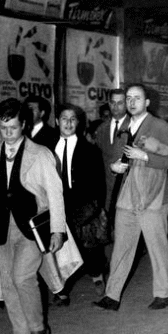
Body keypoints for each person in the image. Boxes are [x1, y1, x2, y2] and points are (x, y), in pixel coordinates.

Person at [0, 98, 65, 334]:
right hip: (0, 229)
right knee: (9, 283)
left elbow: (56, 194)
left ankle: (38, 331)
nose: (8, 133)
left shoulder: (41, 154)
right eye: (3, 128)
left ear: (24, 124)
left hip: (32, 229)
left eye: (13, 127)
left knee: (23, 277)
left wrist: (57, 230)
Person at [93, 84, 168, 311]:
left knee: (157, 247)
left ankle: (162, 293)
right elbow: (121, 160)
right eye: (128, 98)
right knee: (121, 247)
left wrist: (145, 156)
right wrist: (115, 168)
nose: (131, 103)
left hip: (153, 196)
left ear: (147, 102)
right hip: (127, 196)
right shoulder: (123, 127)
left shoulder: (159, 126)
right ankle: (112, 296)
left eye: (137, 98)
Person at [50, 103, 107, 305]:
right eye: (64, 119)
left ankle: (97, 274)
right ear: (57, 121)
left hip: (83, 206)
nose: (68, 123)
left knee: (89, 247)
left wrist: (95, 206)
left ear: (78, 123)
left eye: (72, 119)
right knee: (58, 248)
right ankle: (61, 290)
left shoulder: (90, 150)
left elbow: (99, 182)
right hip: (57, 206)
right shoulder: (47, 149)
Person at [94, 89, 132, 223]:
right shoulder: (101, 129)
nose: (116, 107)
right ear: (109, 104)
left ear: (127, 104)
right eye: (113, 103)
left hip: (128, 192)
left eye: (120, 103)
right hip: (106, 194)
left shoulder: (135, 126)